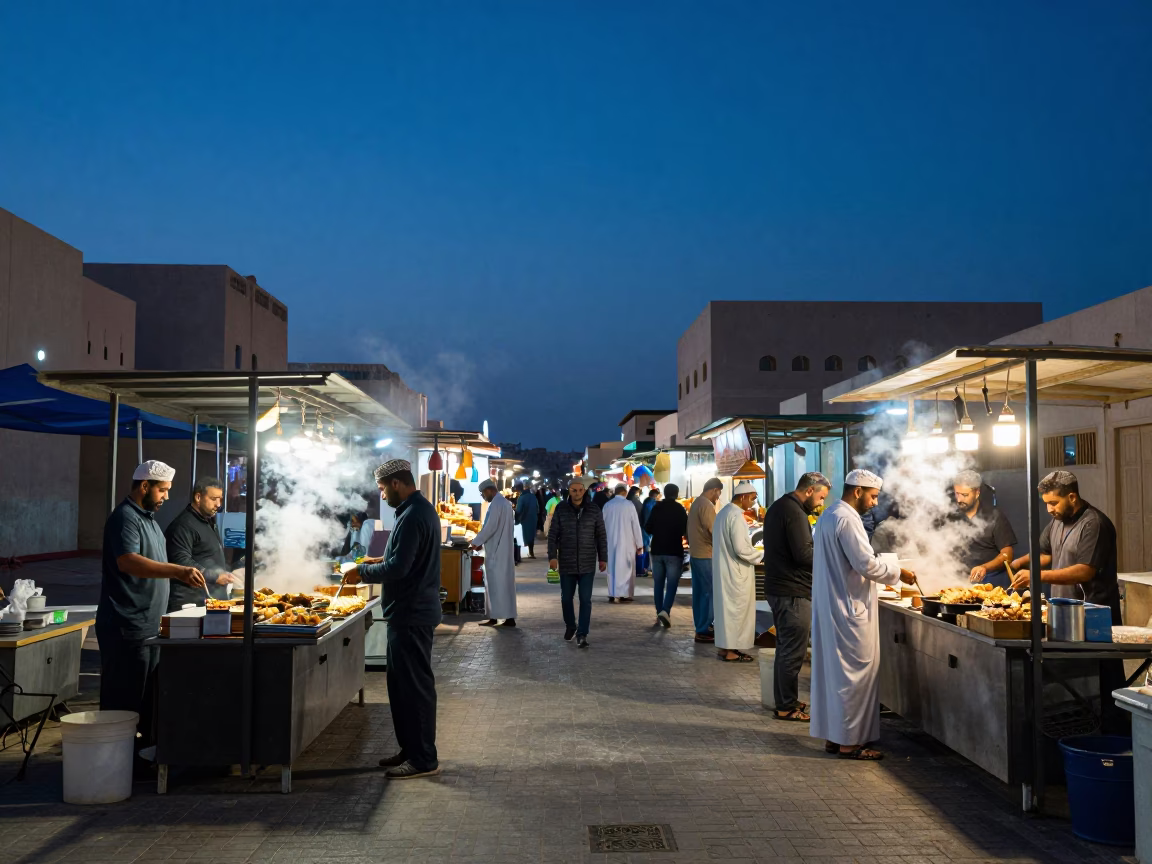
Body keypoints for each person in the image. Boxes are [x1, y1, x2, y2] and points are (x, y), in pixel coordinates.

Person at [97, 460, 206, 774]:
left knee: (144, 698)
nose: (166, 497)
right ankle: (113, 765)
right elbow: (129, 562)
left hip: (149, 624)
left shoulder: (150, 521)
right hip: (126, 624)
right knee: (123, 699)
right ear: (144, 486)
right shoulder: (125, 519)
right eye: (163, 490)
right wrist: (179, 571)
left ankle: (138, 760)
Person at [344, 460, 442, 779]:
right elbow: (401, 559)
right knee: (400, 685)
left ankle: (424, 758)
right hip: (406, 612)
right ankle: (410, 749)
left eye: (384, 488)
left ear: (397, 484)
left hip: (412, 613)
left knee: (415, 687)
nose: (382, 495)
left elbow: (400, 568)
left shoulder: (414, 514)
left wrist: (362, 573)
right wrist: (378, 559)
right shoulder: (414, 510)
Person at [810, 469, 917, 760]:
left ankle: (835, 737)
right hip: (849, 611)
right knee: (855, 678)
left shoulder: (830, 515)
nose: (874, 502)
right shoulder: (847, 519)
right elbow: (865, 564)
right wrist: (899, 573)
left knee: (835, 677)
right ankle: (850, 744)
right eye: (872, 496)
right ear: (857, 492)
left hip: (835, 607)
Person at [761, 472, 831, 722]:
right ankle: (786, 707)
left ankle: (785, 700)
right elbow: (804, 554)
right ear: (810, 490)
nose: (822, 503)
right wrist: (830, 559)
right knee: (792, 651)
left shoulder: (781, 506)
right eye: (821, 497)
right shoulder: (794, 512)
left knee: (785, 649)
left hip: (780, 589)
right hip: (792, 591)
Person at [1009, 470, 1121, 621]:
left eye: (1053, 503)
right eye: (1046, 503)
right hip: (1064, 611)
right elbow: (1045, 554)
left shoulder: (1094, 524)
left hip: (1093, 614)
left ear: (1072, 497)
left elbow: (1084, 571)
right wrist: (1018, 563)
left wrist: (1035, 576)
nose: (1049, 509)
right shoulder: (1057, 521)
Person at [547, 476, 607, 647]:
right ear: (569, 491)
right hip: (566, 562)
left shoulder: (594, 510)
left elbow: (601, 536)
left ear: (585, 490)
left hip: (587, 563)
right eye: (574, 490)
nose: (577, 493)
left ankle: (583, 633)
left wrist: (603, 558)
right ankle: (570, 625)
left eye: (580, 490)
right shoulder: (561, 509)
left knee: (585, 599)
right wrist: (552, 556)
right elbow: (553, 535)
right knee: (566, 598)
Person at [165, 477, 239, 612]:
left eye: (220, 499)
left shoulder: (207, 522)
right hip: (189, 605)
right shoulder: (183, 525)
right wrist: (215, 576)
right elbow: (181, 561)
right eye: (213, 499)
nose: (218, 504)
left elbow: (207, 556)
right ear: (198, 497)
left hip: (208, 602)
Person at [712, 480, 764, 662]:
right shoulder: (736, 516)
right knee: (737, 612)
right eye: (751, 499)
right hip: (736, 573)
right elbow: (741, 548)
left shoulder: (724, 513)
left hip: (726, 571)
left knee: (726, 612)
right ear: (742, 497)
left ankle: (724, 647)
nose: (752, 503)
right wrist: (760, 556)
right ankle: (732, 650)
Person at [951, 470, 1017, 585]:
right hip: (959, 580)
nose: (959, 500)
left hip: (991, 580)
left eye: (965, 495)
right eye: (957, 494)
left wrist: (984, 567)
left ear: (977, 493)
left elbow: (1008, 555)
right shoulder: (952, 517)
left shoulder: (995, 516)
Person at [471, 478, 517, 627]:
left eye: (483, 493)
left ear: (490, 490)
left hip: (497, 552)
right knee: (504, 585)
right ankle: (505, 617)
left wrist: (476, 542)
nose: (483, 497)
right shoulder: (504, 503)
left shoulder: (497, 504)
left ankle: (497, 617)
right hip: (502, 550)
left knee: (496, 585)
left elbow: (490, 527)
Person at [644, 484, 687, 627]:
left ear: (664, 493)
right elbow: (684, 529)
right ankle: (665, 611)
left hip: (657, 550)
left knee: (658, 583)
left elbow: (648, 527)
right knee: (672, 583)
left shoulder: (657, 508)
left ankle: (659, 613)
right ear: (676, 494)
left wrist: (658, 531)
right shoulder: (680, 509)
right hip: (674, 550)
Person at [688, 478, 723, 643]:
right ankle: (704, 628)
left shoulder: (696, 503)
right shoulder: (706, 505)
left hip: (696, 553)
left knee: (700, 592)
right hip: (706, 555)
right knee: (708, 593)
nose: (718, 497)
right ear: (714, 490)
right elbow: (714, 530)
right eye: (719, 493)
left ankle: (701, 626)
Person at [603, 484, 644, 603]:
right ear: (625, 493)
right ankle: (625, 593)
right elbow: (635, 525)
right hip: (627, 542)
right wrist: (639, 544)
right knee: (627, 568)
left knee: (612, 567)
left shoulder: (607, 505)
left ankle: (613, 593)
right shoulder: (629, 505)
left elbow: (601, 525)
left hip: (610, 542)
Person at [515, 483, 540, 559]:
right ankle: (531, 553)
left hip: (524, 519)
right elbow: (537, 508)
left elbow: (518, 510)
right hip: (533, 518)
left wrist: (515, 515)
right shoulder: (533, 496)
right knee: (531, 536)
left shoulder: (521, 498)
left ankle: (517, 555)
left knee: (520, 536)